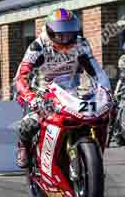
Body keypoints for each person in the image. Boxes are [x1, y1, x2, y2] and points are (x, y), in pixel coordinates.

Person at [13, 9, 112, 168]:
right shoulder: (37, 46)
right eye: (61, 35)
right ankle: (23, 146)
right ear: (51, 32)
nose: (66, 39)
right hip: (43, 93)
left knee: (99, 117)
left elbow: (95, 70)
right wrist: (31, 97)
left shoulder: (81, 43)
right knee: (28, 124)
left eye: (69, 34)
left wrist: (106, 90)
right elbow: (20, 76)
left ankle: (96, 158)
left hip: (72, 92)